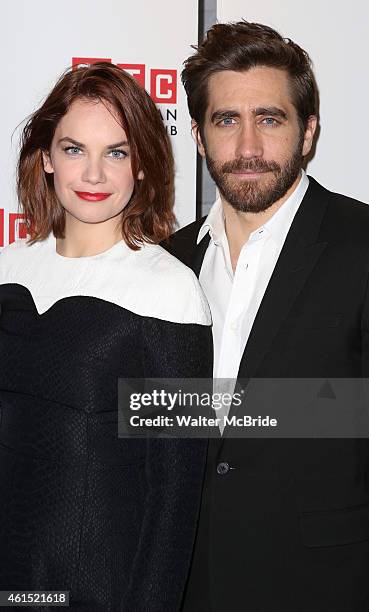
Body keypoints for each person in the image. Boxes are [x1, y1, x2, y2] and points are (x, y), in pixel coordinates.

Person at [164, 21, 369, 612]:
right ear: (199, 137)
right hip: (188, 583)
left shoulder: (359, 246)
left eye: (270, 119)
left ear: (308, 133)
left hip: (328, 584)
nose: (248, 147)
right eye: (226, 120)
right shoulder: (166, 264)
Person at [0, 62, 213, 612]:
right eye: (74, 149)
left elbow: (174, 498)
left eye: (116, 152)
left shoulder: (171, 292)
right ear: (45, 157)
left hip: (96, 590)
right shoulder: (6, 270)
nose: (93, 173)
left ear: (141, 165)